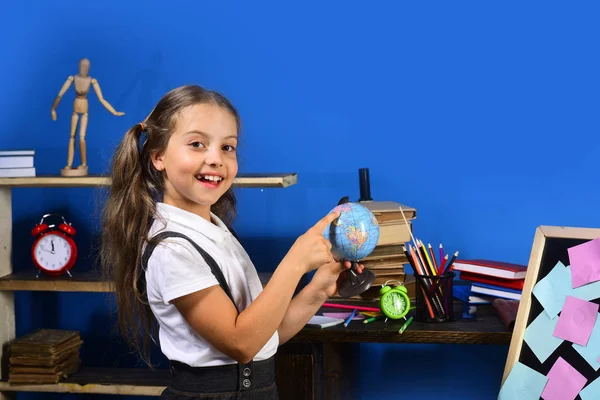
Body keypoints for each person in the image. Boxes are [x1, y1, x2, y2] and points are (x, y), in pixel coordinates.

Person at [100, 84, 362, 399]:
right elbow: (242, 343)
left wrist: (318, 289)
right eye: (197, 144)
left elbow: (266, 336)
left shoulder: (214, 231)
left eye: (228, 147)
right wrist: (295, 262)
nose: (216, 159)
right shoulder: (172, 250)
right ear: (158, 157)